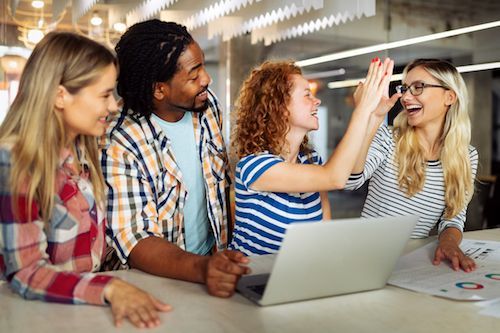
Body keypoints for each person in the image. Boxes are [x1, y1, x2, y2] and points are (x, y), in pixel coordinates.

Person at [0, 32, 171, 329]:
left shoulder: (82, 152)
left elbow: (93, 255)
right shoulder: (14, 161)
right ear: (60, 95)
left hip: (81, 315)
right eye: (104, 95)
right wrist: (110, 288)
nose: (114, 106)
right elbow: (26, 274)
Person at [101, 19, 249, 298]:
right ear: (159, 89)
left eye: (203, 66)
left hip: (209, 267)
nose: (206, 79)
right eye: (194, 75)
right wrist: (203, 268)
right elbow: (137, 239)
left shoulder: (206, 106)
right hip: (153, 283)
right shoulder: (120, 140)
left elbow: (221, 188)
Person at [229, 58, 393, 255]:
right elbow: (335, 178)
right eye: (307, 95)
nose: (317, 100)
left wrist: (374, 117)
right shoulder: (255, 166)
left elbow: (351, 176)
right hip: (255, 278)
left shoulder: (311, 160)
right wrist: (362, 110)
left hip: (298, 274)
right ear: (280, 107)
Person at [345, 58, 478, 272]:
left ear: (449, 96)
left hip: (411, 265)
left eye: (418, 87)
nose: (406, 97)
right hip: (363, 259)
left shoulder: (466, 156)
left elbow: (453, 219)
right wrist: (371, 119)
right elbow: (350, 181)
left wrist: (449, 243)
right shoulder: (388, 139)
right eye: (405, 88)